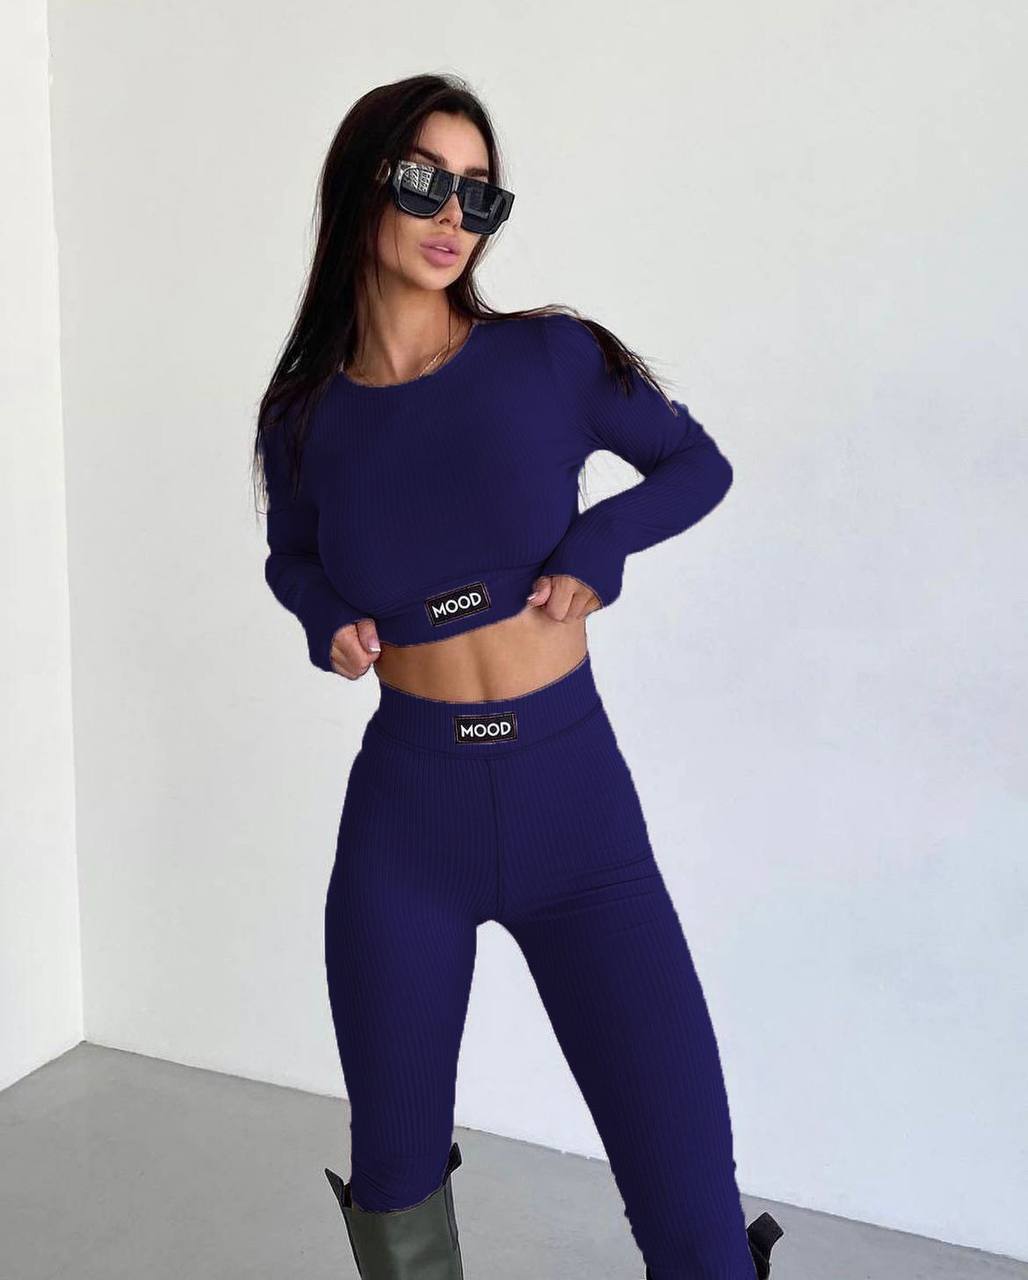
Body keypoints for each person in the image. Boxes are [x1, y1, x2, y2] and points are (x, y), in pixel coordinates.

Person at [253, 73, 784, 1280]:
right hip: (406, 821)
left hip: (573, 811)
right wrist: (323, 614)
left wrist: (601, 541)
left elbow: (694, 464)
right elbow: (292, 555)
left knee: (692, 1205)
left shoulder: (546, 356)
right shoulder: (303, 415)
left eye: (479, 193)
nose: (455, 215)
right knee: (394, 1183)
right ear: (361, 186)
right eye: (425, 181)